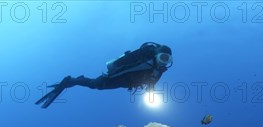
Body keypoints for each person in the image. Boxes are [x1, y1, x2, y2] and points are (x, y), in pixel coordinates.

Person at [35, 42, 173, 108]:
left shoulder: (159, 70)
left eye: (167, 60)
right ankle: (71, 80)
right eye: (163, 57)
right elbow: (123, 63)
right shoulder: (145, 56)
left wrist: (151, 94)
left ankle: (74, 81)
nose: (163, 62)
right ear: (158, 54)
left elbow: (152, 84)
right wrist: (111, 74)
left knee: (97, 86)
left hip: (126, 84)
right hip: (117, 77)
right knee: (96, 85)